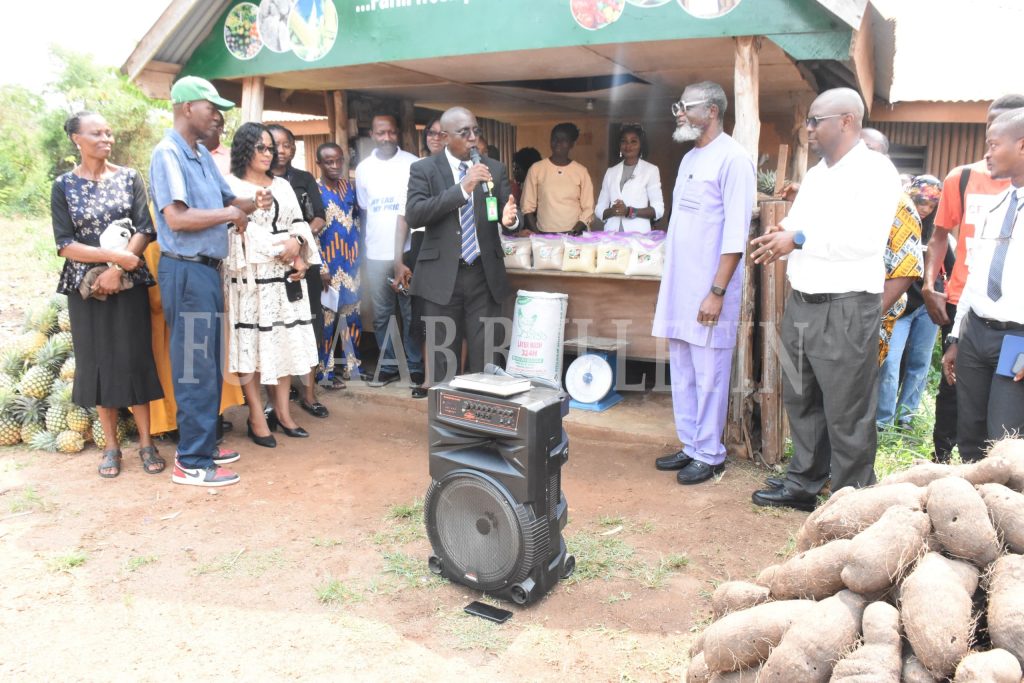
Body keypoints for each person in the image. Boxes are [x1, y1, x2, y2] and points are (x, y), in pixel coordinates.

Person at [749, 87, 901, 511]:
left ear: (847, 121)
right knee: (802, 397)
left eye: (817, 120)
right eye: (809, 121)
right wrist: (783, 235)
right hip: (804, 302)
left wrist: (796, 239)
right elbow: (797, 223)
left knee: (847, 408)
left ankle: (851, 500)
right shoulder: (817, 174)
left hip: (847, 305)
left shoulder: (876, 172)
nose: (809, 128)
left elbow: (865, 240)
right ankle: (804, 482)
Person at [149, 76, 268, 488]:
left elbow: (228, 202)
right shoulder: (168, 154)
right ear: (186, 108)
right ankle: (192, 461)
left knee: (208, 363)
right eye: (211, 107)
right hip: (184, 269)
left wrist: (254, 202)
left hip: (205, 270)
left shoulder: (199, 153)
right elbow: (177, 218)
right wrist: (229, 216)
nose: (218, 116)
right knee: (195, 366)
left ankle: (203, 443)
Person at [651, 82, 755, 485]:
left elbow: (734, 234)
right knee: (683, 368)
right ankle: (691, 444)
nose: (678, 112)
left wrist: (717, 292)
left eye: (686, 106)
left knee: (710, 372)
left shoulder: (733, 159)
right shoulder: (691, 158)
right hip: (680, 287)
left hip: (711, 291)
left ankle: (711, 454)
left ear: (711, 111)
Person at [51, 111, 164, 479]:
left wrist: (119, 268)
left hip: (127, 282)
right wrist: (110, 259)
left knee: (134, 358)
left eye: (109, 132)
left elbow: (145, 227)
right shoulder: (63, 186)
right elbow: (65, 244)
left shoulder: (130, 177)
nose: (106, 139)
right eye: (96, 133)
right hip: (86, 290)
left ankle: (147, 443)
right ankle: (112, 446)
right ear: (76, 139)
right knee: (97, 362)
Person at [923, 93, 1024, 461]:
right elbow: (976, 274)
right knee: (971, 435)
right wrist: (956, 337)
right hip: (976, 331)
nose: (987, 153)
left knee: (1005, 438)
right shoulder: (995, 207)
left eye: (994, 145)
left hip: (1018, 337)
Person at [405, 106, 519, 384]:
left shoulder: (493, 168)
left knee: (488, 354)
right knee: (443, 356)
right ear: (444, 137)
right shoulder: (424, 169)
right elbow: (415, 214)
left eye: (475, 131)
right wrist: (461, 189)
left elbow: (507, 211)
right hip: (441, 277)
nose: (472, 138)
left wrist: (510, 220)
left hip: (484, 274)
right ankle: (447, 424)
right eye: (464, 132)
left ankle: (485, 421)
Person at [224, 122, 320, 448]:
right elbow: (240, 230)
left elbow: (298, 222)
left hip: (284, 280)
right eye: (261, 148)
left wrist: (299, 248)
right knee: (250, 349)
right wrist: (286, 247)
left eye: (271, 148)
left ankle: (283, 413)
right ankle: (256, 416)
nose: (269, 154)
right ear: (244, 150)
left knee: (283, 344)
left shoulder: (282, 185)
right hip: (249, 282)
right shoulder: (230, 185)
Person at [354, 114, 423, 386]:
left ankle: (415, 365)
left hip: (406, 253)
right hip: (375, 254)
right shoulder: (363, 169)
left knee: (410, 313)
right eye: (381, 133)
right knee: (382, 315)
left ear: (398, 134)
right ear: (372, 134)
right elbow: (364, 208)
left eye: (391, 133)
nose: (386, 138)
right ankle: (389, 365)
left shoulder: (412, 163)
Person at [268, 124, 330, 418]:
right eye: (275, 145)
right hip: (270, 263)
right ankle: (273, 401)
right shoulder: (256, 180)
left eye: (287, 145)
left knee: (311, 324)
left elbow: (320, 215)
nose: (282, 150)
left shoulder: (304, 178)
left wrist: (302, 238)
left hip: (306, 258)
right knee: (274, 328)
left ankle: (309, 393)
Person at [877, 175, 942, 428]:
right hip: (901, 306)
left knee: (919, 364)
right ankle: (882, 420)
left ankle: (906, 418)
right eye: (921, 201)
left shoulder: (938, 231)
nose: (925, 208)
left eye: (931, 204)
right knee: (890, 364)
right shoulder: (896, 220)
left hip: (926, 309)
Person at [393, 118, 445, 398]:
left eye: (441, 133)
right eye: (431, 133)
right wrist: (398, 260)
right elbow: (403, 219)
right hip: (421, 249)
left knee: (453, 316)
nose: (435, 138)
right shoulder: (418, 170)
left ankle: (453, 379)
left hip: (453, 248)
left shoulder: (461, 171)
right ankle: (428, 379)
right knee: (423, 320)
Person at [315, 142, 362, 388]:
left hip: (352, 264)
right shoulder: (315, 190)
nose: (334, 166)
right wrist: (321, 267)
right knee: (327, 322)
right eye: (329, 162)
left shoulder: (349, 187)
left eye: (338, 161)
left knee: (352, 316)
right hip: (328, 267)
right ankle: (326, 372)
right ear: (319, 164)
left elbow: (357, 221)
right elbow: (311, 231)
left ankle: (352, 367)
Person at [521, 122, 594, 235]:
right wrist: (538, 235)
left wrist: (574, 231)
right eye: (554, 139)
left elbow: (588, 208)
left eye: (564, 140)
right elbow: (527, 207)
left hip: (574, 234)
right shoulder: (536, 169)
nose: (558, 143)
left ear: (572, 144)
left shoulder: (581, 171)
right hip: (544, 233)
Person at [595, 123, 664, 233]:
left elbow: (658, 210)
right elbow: (599, 210)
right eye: (624, 141)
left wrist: (629, 211)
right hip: (611, 236)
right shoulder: (611, 172)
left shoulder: (651, 170)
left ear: (641, 145)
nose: (628, 146)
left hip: (639, 236)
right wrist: (613, 211)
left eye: (633, 141)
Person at [203, 110, 231, 176]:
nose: (199, 132)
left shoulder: (231, 158)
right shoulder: (188, 155)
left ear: (220, 131)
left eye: (206, 128)